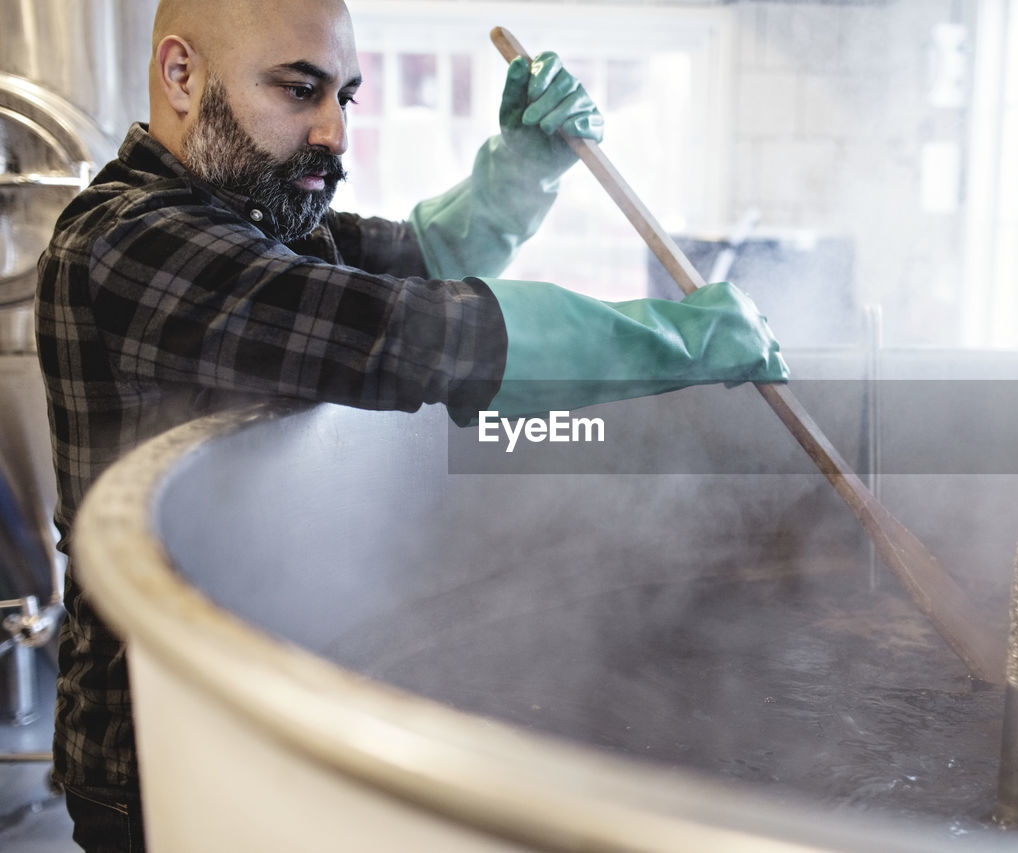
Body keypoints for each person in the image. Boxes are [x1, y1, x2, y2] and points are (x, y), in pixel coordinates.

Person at [35, 0, 786, 849]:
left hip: (260, 704)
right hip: (159, 754)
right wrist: (669, 341)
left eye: (344, 98)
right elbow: (400, 330)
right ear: (182, 75)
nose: (334, 133)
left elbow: (417, 257)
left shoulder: (251, 221)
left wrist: (520, 173)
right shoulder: (126, 240)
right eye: (299, 90)